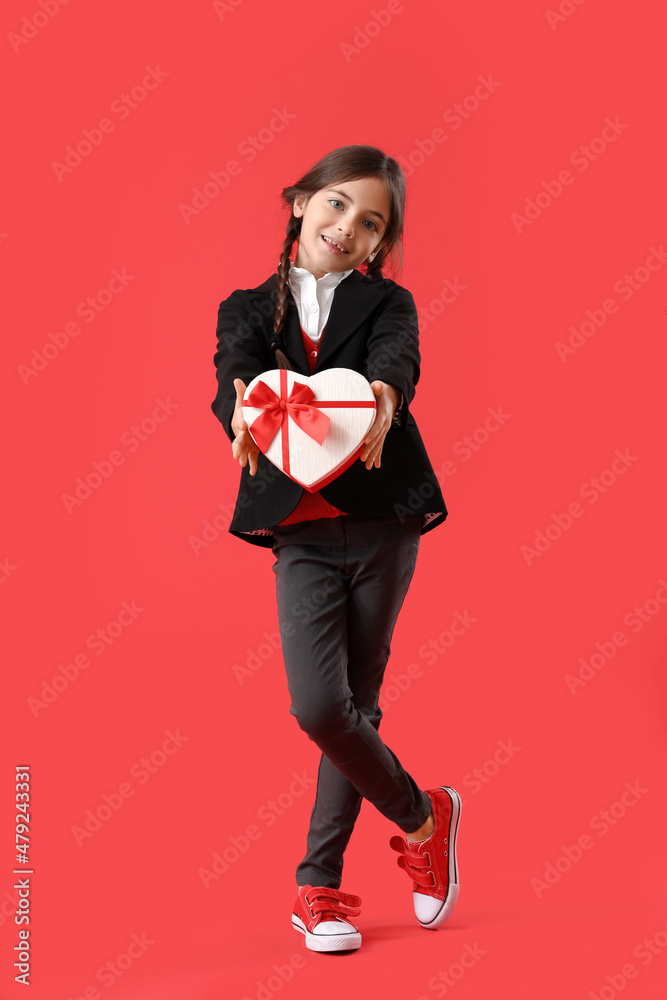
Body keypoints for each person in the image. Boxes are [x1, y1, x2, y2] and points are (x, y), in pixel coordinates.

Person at [210, 144, 462, 953]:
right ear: (299, 202)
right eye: (336, 204)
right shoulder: (248, 307)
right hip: (301, 533)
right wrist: (239, 405)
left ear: (380, 242)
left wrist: (384, 393)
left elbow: (396, 359)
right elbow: (236, 370)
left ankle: (317, 887)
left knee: (358, 701)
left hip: (386, 519)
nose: (349, 227)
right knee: (321, 709)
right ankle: (423, 817)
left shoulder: (388, 302)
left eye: (371, 223)